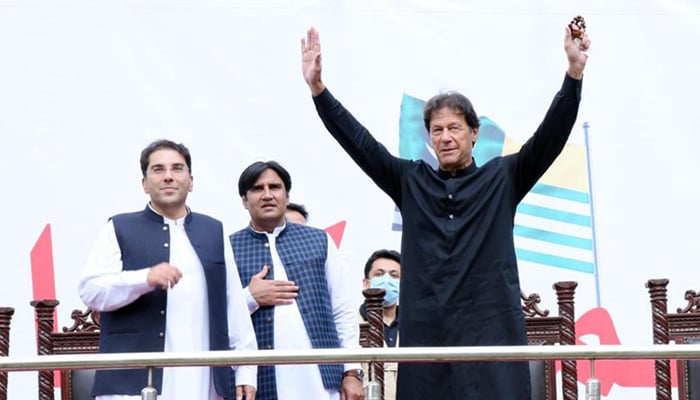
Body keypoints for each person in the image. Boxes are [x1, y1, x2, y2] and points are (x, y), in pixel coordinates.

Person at [301, 22, 590, 400]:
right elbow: (361, 145)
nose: (446, 137)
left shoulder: (503, 177)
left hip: (492, 333)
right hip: (427, 336)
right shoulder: (410, 180)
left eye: (455, 127)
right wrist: (319, 91)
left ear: (475, 132)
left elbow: (550, 136)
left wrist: (573, 74)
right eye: (437, 130)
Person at [79, 139, 257, 400]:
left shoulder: (213, 231)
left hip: (202, 381)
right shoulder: (119, 227)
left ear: (191, 180)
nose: (169, 177)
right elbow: (91, 290)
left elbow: (233, 307)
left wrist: (245, 371)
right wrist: (144, 278)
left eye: (177, 168)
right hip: (133, 385)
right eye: (158, 169)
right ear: (144, 183)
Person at [229, 160, 364, 400]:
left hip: (321, 381)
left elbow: (342, 309)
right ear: (244, 200)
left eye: (275, 187)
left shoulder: (319, 240)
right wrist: (250, 298)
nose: (268, 195)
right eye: (258, 189)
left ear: (287, 196)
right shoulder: (228, 248)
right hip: (259, 384)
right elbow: (219, 319)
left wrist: (351, 372)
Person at [359, 249, 401, 400]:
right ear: (366, 283)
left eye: (394, 275)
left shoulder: (414, 327)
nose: (386, 280)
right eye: (379, 274)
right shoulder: (350, 325)